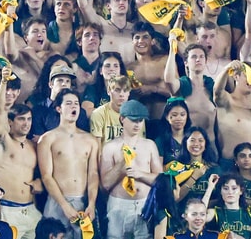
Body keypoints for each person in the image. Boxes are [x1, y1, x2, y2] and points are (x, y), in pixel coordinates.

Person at [37, 89, 99, 239]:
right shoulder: (48, 139)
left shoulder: (90, 140)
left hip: (82, 203)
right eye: (69, 103)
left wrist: (91, 203)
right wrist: (65, 205)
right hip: (57, 201)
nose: (74, 107)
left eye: (76, 104)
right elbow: (46, 176)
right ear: (59, 108)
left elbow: (93, 174)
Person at [99, 100, 163, 239]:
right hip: (118, 206)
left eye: (140, 121)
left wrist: (139, 174)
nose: (137, 124)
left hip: (144, 205)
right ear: (122, 119)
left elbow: (160, 180)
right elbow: (105, 184)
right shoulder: (110, 147)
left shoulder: (150, 145)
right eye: (133, 120)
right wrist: (121, 166)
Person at [0, 67, 42, 239]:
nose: (26, 123)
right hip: (7, 209)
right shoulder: (2, 141)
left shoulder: (33, 146)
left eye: (29, 119)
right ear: (10, 122)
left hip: (31, 210)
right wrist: (4, 82)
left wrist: (40, 182)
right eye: (21, 119)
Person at [203, 173, 251, 239]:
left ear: (241, 191)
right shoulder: (215, 212)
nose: (230, 192)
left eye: (234, 188)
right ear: (220, 191)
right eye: (225, 188)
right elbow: (199, 215)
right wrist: (210, 188)